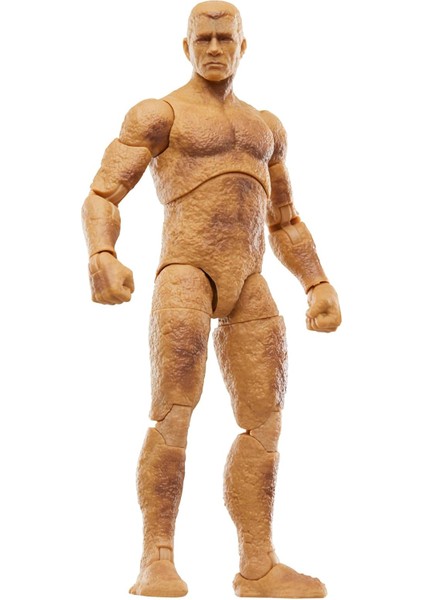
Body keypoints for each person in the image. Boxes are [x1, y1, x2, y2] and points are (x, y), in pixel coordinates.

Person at [82, 2, 341, 597]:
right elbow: (102, 194)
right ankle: (156, 558)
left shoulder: (266, 128)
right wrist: (102, 254)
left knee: (265, 421)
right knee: (174, 411)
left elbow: (285, 219)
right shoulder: (160, 113)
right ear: (186, 46)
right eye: (204, 38)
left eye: (227, 38)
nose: (216, 48)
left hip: (249, 279)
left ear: (244, 47)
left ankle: (258, 565)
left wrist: (316, 281)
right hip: (186, 272)